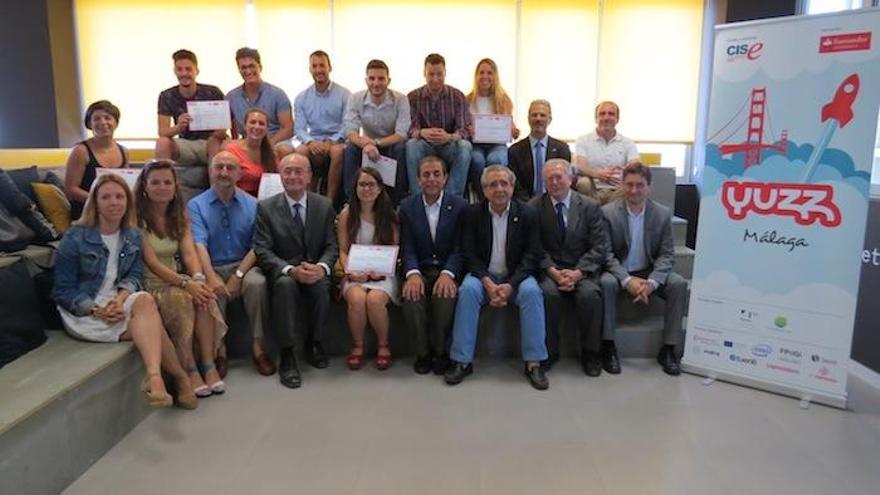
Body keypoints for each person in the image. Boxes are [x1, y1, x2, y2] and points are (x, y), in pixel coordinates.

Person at [52, 173, 195, 409]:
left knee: (144, 300)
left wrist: (119, 300)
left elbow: (134, 277)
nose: (114, 202)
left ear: (128, 201)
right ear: (95, 202)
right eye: (106, 197)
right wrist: (96, 310)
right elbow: (62, 290)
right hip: (85, 312)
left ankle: (155, 377)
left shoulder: (133, 235)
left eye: (120, 196)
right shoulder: (75, 237)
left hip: (117, 304)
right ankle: (179, 378)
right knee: (152, 324)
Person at [445, 165, 549, 390]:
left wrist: (511, 285)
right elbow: (468, 253)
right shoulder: (472, 214)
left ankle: (534, 362)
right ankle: (462, 361)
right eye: (493, 184)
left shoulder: (528, 214)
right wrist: (487, 281)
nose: (499, 189)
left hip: (516, 276)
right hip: (483, 275)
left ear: (512, 187)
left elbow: (533, 255)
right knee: (468, 291)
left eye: (504, 183)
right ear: (484, 190)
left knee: (532, 292)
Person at [135, 159, 228, 398]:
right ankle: (190, 369)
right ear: (145, 186)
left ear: (175, 186)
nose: (162, 187)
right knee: (182, 299)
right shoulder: (136, 218)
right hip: (151, 284)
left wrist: (197, 278)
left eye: (167, 182)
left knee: (204, 296)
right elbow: (152, 263)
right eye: (155, 182)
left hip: (179, 278)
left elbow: (189, 252)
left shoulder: (179, 215)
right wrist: (187, 283)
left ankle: (207, 364)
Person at [253, 153, 338, 389]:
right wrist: (289, 270)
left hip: (315, 270)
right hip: (285, 271)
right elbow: (262, 250)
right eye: (287, 171)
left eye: (299, 171)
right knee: (284, 286)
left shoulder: (324, 205)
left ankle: (315, 342)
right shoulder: (266, 208)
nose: (293, 176)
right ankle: (288, 354)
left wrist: (322, 268)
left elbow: (332, 245)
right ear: (280, 176)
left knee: (322, 286)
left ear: (309, 176)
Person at [187, 151, 273, 377]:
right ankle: (220, 351)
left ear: (239, 174)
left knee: (257, 284)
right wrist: (212, 276)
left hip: (244, 265)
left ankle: (258, 346)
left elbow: (257, 246)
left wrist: (238, 275)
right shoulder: (195, 205)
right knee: (209, 288)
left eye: (230, 168)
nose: (224, 172)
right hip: (211, 265)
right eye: (219, 167)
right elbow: (199, 245)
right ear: (210, 171)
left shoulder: (254, 204)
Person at [600, 163, 686, 375]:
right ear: (622, 185)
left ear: (649, 187)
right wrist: (627, 280)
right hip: (619, 271)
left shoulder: (662, 214)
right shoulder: (608, 213)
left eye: (640, 185)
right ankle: (608, 346)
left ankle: (668, 348)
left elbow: (667, 254)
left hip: (648, 271)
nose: (634, 190)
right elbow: (606, 255)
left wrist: (652, 282)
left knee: (678, 284)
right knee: (606, 283)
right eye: (629, 184)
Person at [528, 160, 607, 375]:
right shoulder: (534, 207)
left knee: (590, 296)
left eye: (559, 177)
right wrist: (553, 271)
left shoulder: (590, 206)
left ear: (570, 179)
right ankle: (549, 352)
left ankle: (591, 353)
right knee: (546, 295)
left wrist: (578, 273)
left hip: (582, 270)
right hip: (550, 271)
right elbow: (534, 247)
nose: (554, 182)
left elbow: (600, 246)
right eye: (549, 179)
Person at [399, 156, 467, 375]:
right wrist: (412, 273)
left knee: (445, 296)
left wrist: (449, 273)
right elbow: (406, 246)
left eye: (437, 174)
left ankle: (440, 352)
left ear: (445, 178)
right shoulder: (407, 207)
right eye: (426, 175)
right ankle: (423, 353)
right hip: (419, 267)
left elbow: (460, 247)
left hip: (446, 268)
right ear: (418, 179)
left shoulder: (459, 206)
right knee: (412, 297)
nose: (431, 179)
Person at [337, 167, 399, 371]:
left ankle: (383, 345)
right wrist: (351, 272)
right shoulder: (347, 215)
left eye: (371, 184)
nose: (366, 189)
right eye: (362, 184)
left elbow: (393, 250)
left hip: (383, 273)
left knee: (374, 300)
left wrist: (380, 272)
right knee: (356, 298)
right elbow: (343, 251)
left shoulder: (389, 216)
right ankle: (358, 346)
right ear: (355, 188)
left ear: (380, 188)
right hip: (354, 272)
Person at [342, 59, 409, 205]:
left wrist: (376, 143)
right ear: (366, 80)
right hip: (366, 145)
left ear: (388, 81)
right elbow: (350, 131)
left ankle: (397, 203)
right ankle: (350, 202)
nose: (376, 83)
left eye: (381, 79)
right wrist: (366, 144)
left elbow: (402, 134)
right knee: (350, 149)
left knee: (401, 148)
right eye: (372, 78)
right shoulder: (355, 98)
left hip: (391, 143)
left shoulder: (401, 99)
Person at [406, 53, 472, 197]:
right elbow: (409, 128)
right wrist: (422, 132)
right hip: (424, 145)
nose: (435, 79)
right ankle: (417, 198)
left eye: (439, 74)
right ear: (424, 74)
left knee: (465, 147)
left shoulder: (457, 96)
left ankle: (451, 199)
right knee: (411, 145)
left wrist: (449, 137)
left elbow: (465, 129)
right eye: (431, 74)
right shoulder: (412, 97)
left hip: (448, 145)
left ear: (445, 73)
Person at [294, 50, 351, 204]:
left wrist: (330, 142)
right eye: (314, 66)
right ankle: (307, 201)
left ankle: (329, 202)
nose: (318, 70)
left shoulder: (345, 95)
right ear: (310, 69)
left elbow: (348, 125)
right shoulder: (301, 97)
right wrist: (311, 142)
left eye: (322, 66)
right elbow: (299, 128)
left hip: (337, 141)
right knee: (299, 151)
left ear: (329, 68)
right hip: (314, 141)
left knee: (337, 152)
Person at [154, 49, 226, 166]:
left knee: (215, 142)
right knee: (162, 142)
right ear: (175, 71)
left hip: (210, 142)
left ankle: (215, 183)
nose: (184, 73)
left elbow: (223, 127)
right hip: (185, 144)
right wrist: (178, 127)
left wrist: (218, 132)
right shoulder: (167, 95)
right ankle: (164, 181)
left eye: (188, 69)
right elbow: (162, 131)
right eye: (179, 69)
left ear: (196, 71)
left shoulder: (213, 92)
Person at [64, 100, 129, 220]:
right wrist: (99, 201)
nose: (102, 122)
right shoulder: (80, 151)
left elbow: (124, 185)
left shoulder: (123, 151)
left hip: (115, 212)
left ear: (116, 122)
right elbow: (71, 189)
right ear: (90, 124)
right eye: (96, 119)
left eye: (107, 118)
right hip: (87, 213)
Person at [466, 58, 519, 199]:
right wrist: (468, 130)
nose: (485, 76)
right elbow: (462, 127)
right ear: (476, 76)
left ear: (495, 76)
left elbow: (511, 128)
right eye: (481, 72)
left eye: (489, 73)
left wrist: (514, 131)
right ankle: (484, 198)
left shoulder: (504, 100)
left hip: (497, 145)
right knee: (476, 160)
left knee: (494, 159)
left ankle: (496, 196)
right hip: (476, 144)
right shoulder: (467, 100)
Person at [226, 47, 294, 156]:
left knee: (285, 149)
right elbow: (230, 128)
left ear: (260, 67)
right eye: (243, 67)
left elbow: (288, 128)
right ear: (239, 70)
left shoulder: (278, 94)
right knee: (226, 148)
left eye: (251, 66)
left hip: (274, 141)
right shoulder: (231, 97)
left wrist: (269, 144)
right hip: (246, 142)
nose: (248, 71)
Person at [574, 101, 639, 203]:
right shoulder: (583, 140)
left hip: (617, 189)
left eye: (611, 114)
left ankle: (610, 214)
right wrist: (598, 174)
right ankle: (593, 214)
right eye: (602, 114)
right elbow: (581, 167)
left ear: (617, 119)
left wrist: (624, 170)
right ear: (596, 118)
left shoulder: (628, 143)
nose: (606, 118)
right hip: (593, 189)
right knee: (583, 183)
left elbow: (635, 167)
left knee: (630, 184)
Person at [508, 99, 571, 201]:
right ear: (528, 118)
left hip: (554, 201)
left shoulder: (561, 149)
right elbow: (515, 183)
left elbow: (564, 180)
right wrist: (530, 204)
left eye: (542, 115)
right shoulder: (515, 150)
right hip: (525, 204)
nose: (538, 119)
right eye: (534, 115)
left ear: (550, 119)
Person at [223, 108, 277, 197]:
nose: (257, 126)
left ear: (267, 128)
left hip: (265, 200)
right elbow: (226, 183)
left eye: (261, 124)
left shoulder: (272, 153)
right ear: (245, 126)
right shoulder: (231, 151)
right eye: (253, 122)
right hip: (238, 198)